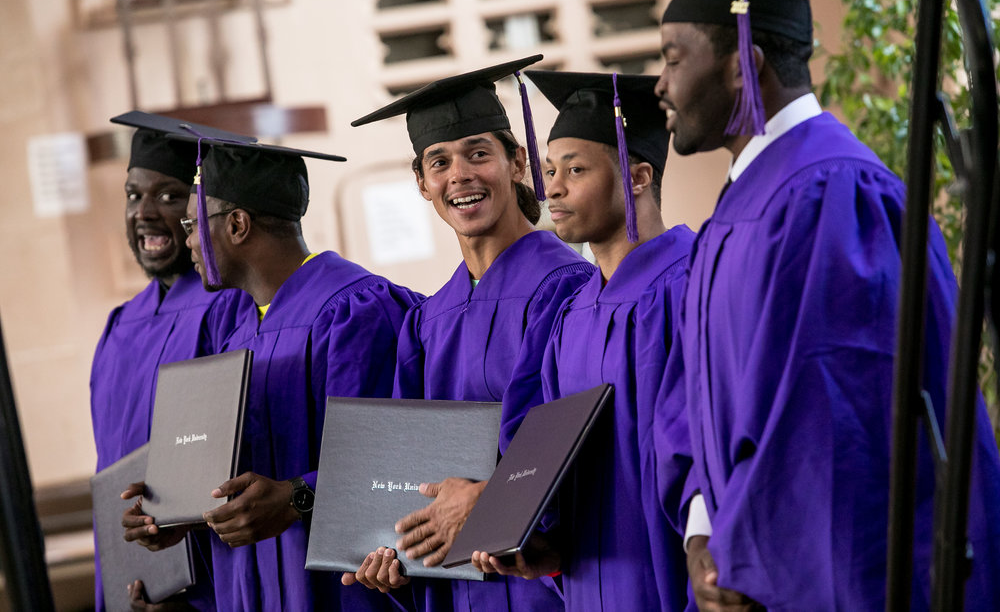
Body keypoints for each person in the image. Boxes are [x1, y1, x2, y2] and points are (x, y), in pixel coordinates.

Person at [635, 0, 1000, 610]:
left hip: (841, 579)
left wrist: (738, 551)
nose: (659, 83)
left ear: (742, 58)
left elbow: (831, 417)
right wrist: (700, 533)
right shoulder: (739, 206)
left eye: (671, 56)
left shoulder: (830, 192)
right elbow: (689, 396)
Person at [122, 136, 421, 611]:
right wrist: (180, 509)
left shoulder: (355, 309)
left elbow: (395, 460)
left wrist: (297, 498)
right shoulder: (239, 327)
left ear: (237, 224)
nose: (190, 241)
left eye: (193, 223)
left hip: (344, 592)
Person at [344, 56, 592, 611]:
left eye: (478, 153)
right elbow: (405, 469)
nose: (460, 174)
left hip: (542, 585)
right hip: (464, 591)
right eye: (439, 162)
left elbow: (578, 444)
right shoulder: (428, 319)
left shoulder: (569, 288)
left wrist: (493, 504)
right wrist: (393, 550)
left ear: (517, 163)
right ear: (422, 184)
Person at [472, 70, 695, 611]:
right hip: (592, 587)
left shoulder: (688, 287)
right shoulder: (571, 313)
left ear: (638, 176)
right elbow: (542, 451)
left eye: (575, 170)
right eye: (549, 170)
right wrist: (537, 543)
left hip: (671, 579)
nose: (552, 188)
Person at [90, 112, 256, 610]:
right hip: (134, 579)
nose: (144, 211)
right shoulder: (119, 325)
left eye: (169, 196)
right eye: (133, 194)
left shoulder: (228, 307)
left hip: (206, 582)